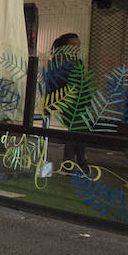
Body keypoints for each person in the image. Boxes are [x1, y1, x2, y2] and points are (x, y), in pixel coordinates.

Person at [48, 32, 89, 173]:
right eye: (73, 44)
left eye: (78, 45)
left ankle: (76, 164)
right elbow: (55, 81)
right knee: (76, 132)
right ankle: (74, 164)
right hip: (70, 101)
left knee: (78, 133)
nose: (76, 47)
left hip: (81, 102)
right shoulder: (60, 61)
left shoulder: (77, 62)